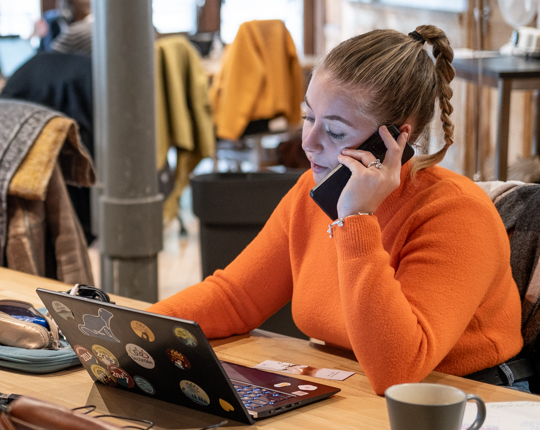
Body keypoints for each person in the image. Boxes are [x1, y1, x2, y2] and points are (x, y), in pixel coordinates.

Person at [148, 26, 525, 394]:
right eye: (309, 116)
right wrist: (139, 329)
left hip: (469, 398)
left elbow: (398, 369)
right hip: (353, 383)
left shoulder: (456, 214)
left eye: (336, 131)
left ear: (394, 140)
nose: (308, 143)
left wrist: (356, 220)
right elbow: (235, 298)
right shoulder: (312, 190)